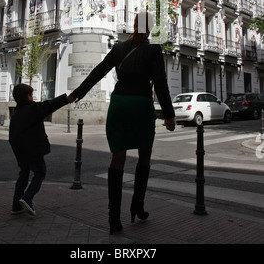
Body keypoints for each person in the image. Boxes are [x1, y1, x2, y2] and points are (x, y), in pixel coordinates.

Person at [70, 12, 175, 234]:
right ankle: (138, 206)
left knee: (117, 159)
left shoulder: (118, 48)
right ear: (151, 28)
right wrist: (169, 114)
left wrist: (79, 92)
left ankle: (113, 219)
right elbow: (160, 83)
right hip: (141, 105)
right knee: (144, 156)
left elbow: (98, 71)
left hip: (118, 105)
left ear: (134, 26)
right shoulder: (153, 49)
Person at [9, 83, 72, 216]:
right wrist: (66, 99)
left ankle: (16, 205)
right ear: (28, 96)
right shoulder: (32, 109)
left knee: (24, 174)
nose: (33, 97)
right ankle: (27, 197)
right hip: (33, 150)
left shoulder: (16, 113)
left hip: (20, 150)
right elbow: (49, 106)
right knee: (40, 172)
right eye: (31, 94)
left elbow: (12, 136)